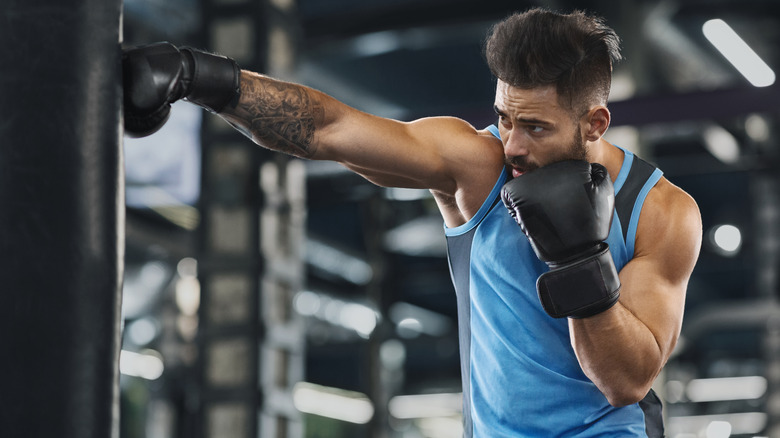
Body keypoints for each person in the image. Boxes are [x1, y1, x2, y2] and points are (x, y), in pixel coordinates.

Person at [122, 7, 702, 437]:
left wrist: (578, 259)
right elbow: (330, 130)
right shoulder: (478, 168)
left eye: (536, 127)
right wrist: (199, 78)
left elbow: (627, 381)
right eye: (504, 118)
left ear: (595, 123)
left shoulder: (661, 212)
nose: (513, 145)